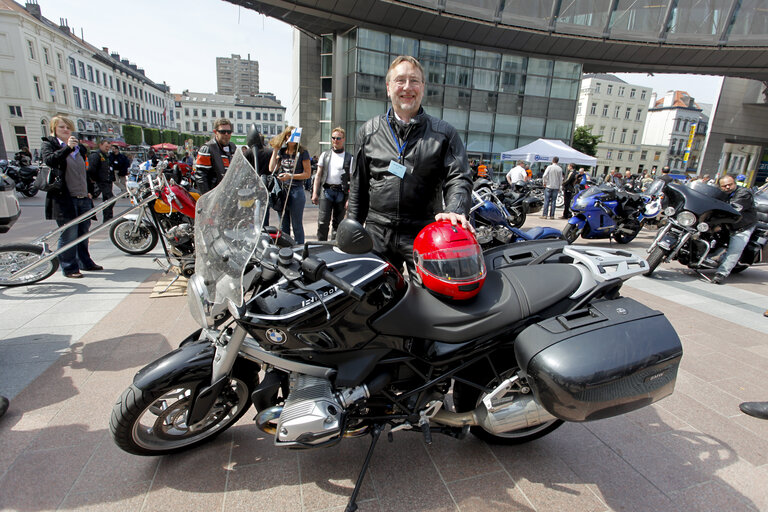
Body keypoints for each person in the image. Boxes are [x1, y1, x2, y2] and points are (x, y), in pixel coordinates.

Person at [347, 55, 472, 274]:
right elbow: (358, 186)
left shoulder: (444, 133)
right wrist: (351, 230)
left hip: (424, 231)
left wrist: (455, 210)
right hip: (378, 232)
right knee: (374, 298)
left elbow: (459, 177)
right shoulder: (368, 131)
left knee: (429, 298)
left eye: (414, 81)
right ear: (388, 87)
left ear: (423, 87)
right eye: (400, 80)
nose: (407, 87)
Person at [41, 116, 103, 278]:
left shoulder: (79, 149)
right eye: (62, 127)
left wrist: (90, 190)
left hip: (83, 196)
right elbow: (50, 161)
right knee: (69, 234)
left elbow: (84, 171)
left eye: (68, 127)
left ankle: (85, 262)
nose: (66, 130)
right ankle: (69, 268)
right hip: (64, 198)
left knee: (83, 232)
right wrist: (67, 148)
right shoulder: (50, 145)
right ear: (54, 129)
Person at [269, 126, 311, 244]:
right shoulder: (282, 152)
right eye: (288, 136)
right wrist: (275, 150)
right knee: (283, 224)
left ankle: (299, 248)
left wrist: (290, 176)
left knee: (297, 224)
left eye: (292, 136)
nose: (290, 139)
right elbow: (271, 168)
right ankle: (285, 248)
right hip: (282, 191)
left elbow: (307, 174)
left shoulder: (302, 152)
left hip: (296, 190)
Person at [712, 174, 757, 284]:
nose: (727, 187)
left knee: (736, 247)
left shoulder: (743, 193)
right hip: (727, 223)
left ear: (735, 183)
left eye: (729, 185)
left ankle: (721, 274)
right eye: (724, 186)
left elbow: (733, 209)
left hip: (742, 225)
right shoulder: (721, 193)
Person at [313, 127, 352, 241]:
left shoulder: (349, 158)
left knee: (338, 224)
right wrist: (315, 193)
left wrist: (349, 199)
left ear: (343, 139)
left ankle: (335, 247)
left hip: (341, 193)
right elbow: (318, 176)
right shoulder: (325, 155)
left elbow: (353, 180)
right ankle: (321, 245)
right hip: (326, 191)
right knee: (322, 222)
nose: (336, 140)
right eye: (333, 138)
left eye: (338, 138)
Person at [193, 118, 237, 193]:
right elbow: (201, 177)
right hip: (215, 195)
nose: (226, 134)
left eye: (229, 132)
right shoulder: (207, 149)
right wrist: (208, 199)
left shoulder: (232, 147)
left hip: (230, 194)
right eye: (223, 132)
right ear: (215, 132)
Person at [87, 139, 114, 221]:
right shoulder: (96, 155)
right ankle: (107, 218)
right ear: (100, 145)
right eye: (106, 147)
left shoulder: (106, 155)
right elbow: (91, 169)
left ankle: (108, 217)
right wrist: (94, 179)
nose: (107, 149)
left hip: (107, 180)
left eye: (108, 147)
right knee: (110, 199)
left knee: (109, 199)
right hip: (101, 181)